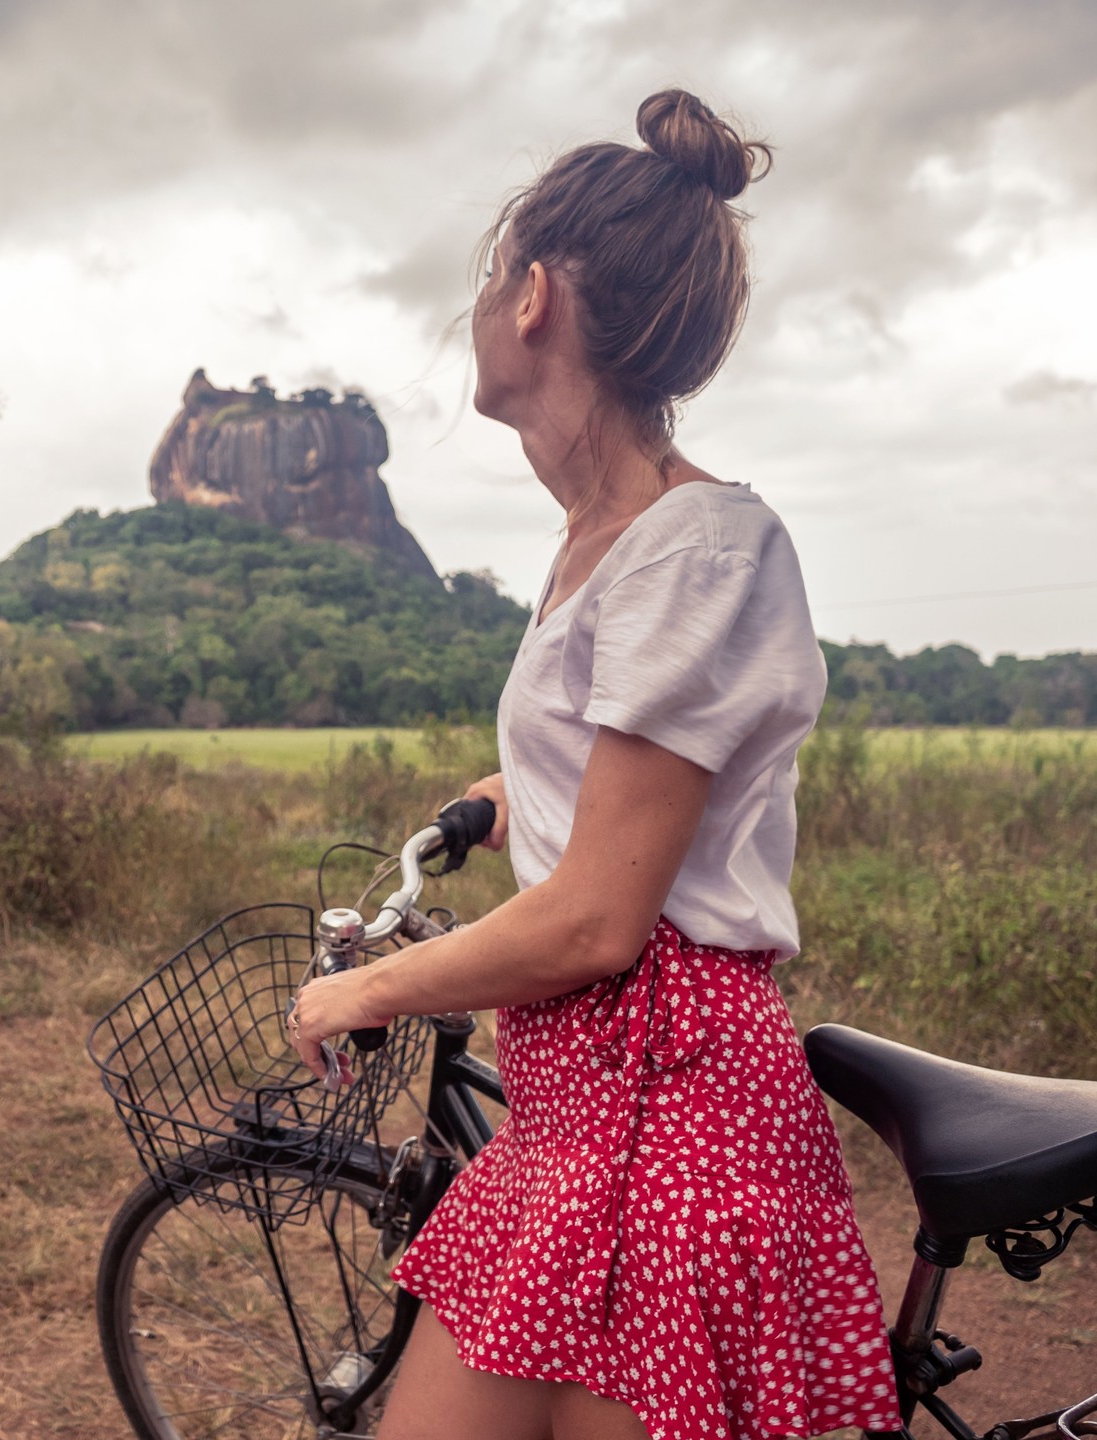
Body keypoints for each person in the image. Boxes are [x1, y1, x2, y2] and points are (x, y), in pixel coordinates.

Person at [285, 90, 902, 1440]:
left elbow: (600, 921)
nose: (482, 302)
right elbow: (637, 799)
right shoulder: (603, 544)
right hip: (589, 1107)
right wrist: (529, 801)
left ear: (534, 298)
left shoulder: (697, 544)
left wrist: (365, 992)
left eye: (494, 273)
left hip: (673, 1118)